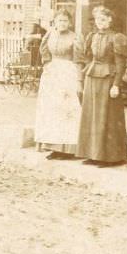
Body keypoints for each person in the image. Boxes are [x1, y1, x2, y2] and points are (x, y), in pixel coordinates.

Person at [76, 6, 127, 166]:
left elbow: (120, 64)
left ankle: (111, 157)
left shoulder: (117, 38)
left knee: (107, 116)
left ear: (110, 20)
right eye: (98, 19)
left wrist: (116, 85)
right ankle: (93, 153)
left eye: (104, 19)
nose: (100, 22)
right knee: (92, 115)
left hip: (109, 78)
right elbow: (87, 58)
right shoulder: (92, 36)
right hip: (93, 77)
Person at [34, 10, 80, 159]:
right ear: (55, 22)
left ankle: (67, 149)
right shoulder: (50, 35)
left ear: (70, 23)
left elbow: (78, 59)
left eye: (65, 21)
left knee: (66, 110)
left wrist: (78, 78)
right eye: (60, 21)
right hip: (52, 73)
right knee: (51, 109)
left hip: (68, 72)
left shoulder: (75, 37)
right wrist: (47, 65)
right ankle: (53, 147)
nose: (62, 24)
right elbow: (44, 51)